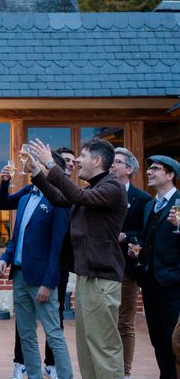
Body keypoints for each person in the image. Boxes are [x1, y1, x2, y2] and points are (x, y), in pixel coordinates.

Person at [29, 138, 127, 379]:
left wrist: (51, 165)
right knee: (86, 345)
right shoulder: (94, 188)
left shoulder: (112, 187)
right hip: (87, 275)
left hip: (102, 278)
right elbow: (62, 198)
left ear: (97, 160)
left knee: (103, 345)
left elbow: (76, 196)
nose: (78, 161)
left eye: (82, 156)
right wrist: (37, 174)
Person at [0, 152, 72, 379]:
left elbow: (58, 247)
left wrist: (49, 283)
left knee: (53, 333)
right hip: (19, 276)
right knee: (26, 334)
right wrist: (5, 258)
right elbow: (16, 235)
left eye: (36, 163)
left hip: (42, 280)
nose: (30, 165)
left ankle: (66, 376)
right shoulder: (28, 193)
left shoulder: (58, 200)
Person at [135, 155, 180, 379]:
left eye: (156, 169)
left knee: (174, 338)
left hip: (172, 283)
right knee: (157, 337)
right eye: (149, 168)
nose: (149, 172)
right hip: (150, 282)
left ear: (170, 175)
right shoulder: (150, 206)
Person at [109, 147, 151, 378]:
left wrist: (127, 236)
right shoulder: (102, 192)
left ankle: (124, 371)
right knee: (106, 322)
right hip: (103, 267)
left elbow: (148, 234)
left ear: (129, 169)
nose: (112, 165)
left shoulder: (143, 199)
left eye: (117, 162)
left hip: (126, 268)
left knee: (124, 322)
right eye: (111, 161)